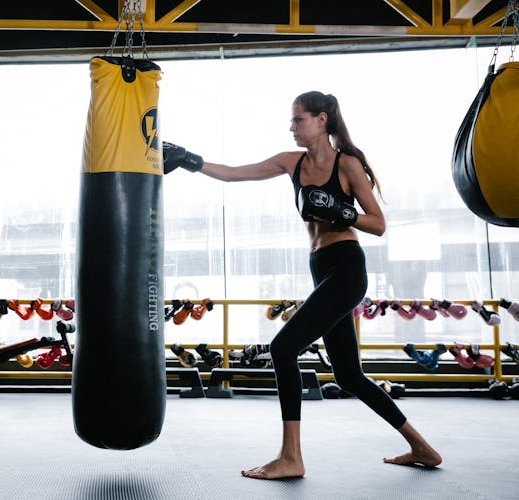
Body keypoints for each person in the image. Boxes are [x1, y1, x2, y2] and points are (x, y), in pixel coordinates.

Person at [162, 90, 441, 480]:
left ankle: (290, 456)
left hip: (346, 267)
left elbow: (377, 224)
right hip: (321, 267)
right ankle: (422, 447)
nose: (292, 127)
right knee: (348, 375)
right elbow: (235, 173)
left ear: (322, 119)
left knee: (282, 347)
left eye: (298, 120)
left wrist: (345, 212)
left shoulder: (348, 165)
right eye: (292, 121)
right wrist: (190, 161)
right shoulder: (291, 162)